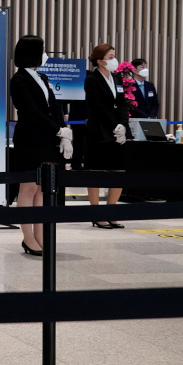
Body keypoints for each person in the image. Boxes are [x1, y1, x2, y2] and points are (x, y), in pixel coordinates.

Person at [9, 35, 70, 256]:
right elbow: (31, 112)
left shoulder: (42, 77)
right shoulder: (19, 80)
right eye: (42, 49)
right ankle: (28, 237)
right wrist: (57, 130)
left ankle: (41, 235)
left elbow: (54, 107)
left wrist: (64, 133)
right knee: (28, 188)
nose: (45, 54)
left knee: (43, 190)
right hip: (30, 140)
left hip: (47, 140)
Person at [83, 43, 129, 229]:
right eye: (110, 57)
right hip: (98, 131)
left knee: (119, 170)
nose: (114, 60)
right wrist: (114, 124)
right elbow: (98, 106)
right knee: (96, 172)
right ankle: (96, 214)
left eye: (114, 56)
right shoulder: (91, 79)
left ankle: (111, 211)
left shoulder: (117, 78)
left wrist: (123, 125)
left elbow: (123, 104)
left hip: (118, 133)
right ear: (100, 60)